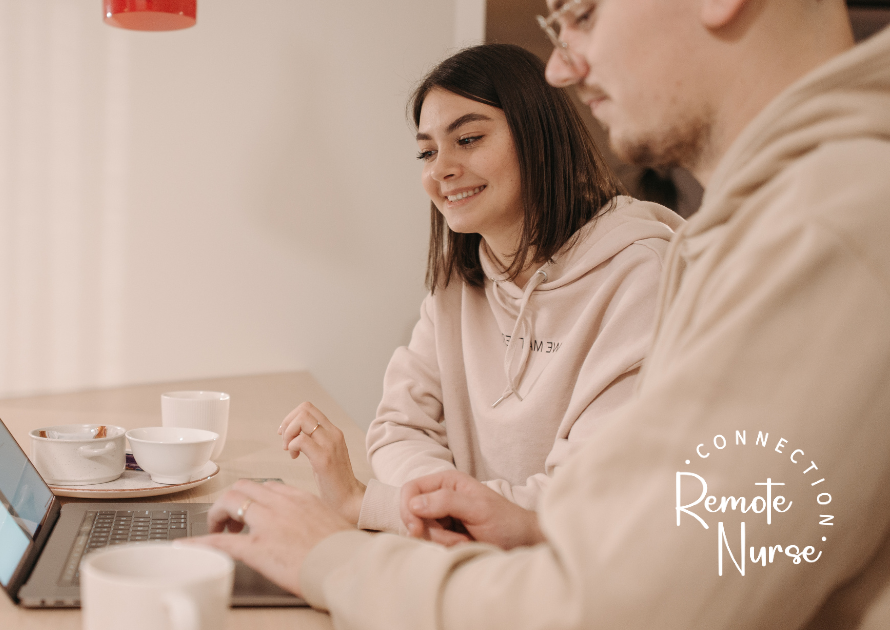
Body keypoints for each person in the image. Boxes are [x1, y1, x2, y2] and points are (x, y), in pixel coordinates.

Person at [193, 1, 890, 628]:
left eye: (581, 14)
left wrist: (336, 554)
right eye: (428, 150)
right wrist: (442, 512)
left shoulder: (824, 227)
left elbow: (613, 602)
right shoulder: (752, 230)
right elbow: (634, 528)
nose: (560, 66)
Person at [276, 43, 682, 547]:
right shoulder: (457, 281)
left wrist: (379, 504)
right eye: (427, 151)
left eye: (467, 139)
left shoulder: (639, 275)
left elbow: (588, 496)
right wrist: (450, 511)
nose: (440, 169)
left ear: (539, 137)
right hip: (469, 559)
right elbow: (400, 427)